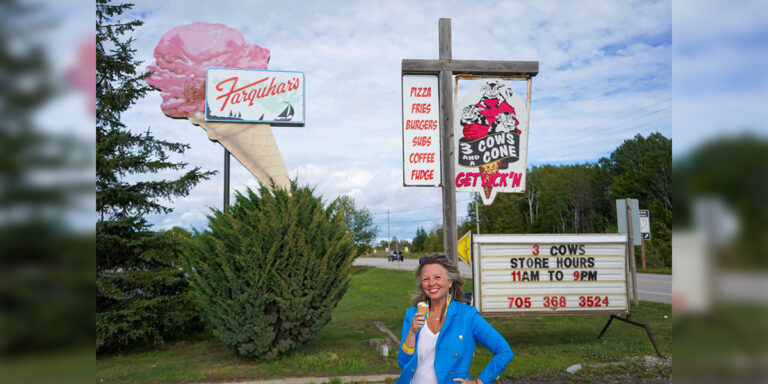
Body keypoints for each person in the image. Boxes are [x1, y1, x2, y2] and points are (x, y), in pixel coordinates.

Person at [397, 254, 513, 384]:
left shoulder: (467, 316)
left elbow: (504, 351)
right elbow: (403, 363)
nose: (431, 283)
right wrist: (412, 332)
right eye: (426, 279)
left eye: (437, 277)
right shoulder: (412, 315)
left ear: (450, 281)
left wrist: (478, 382)